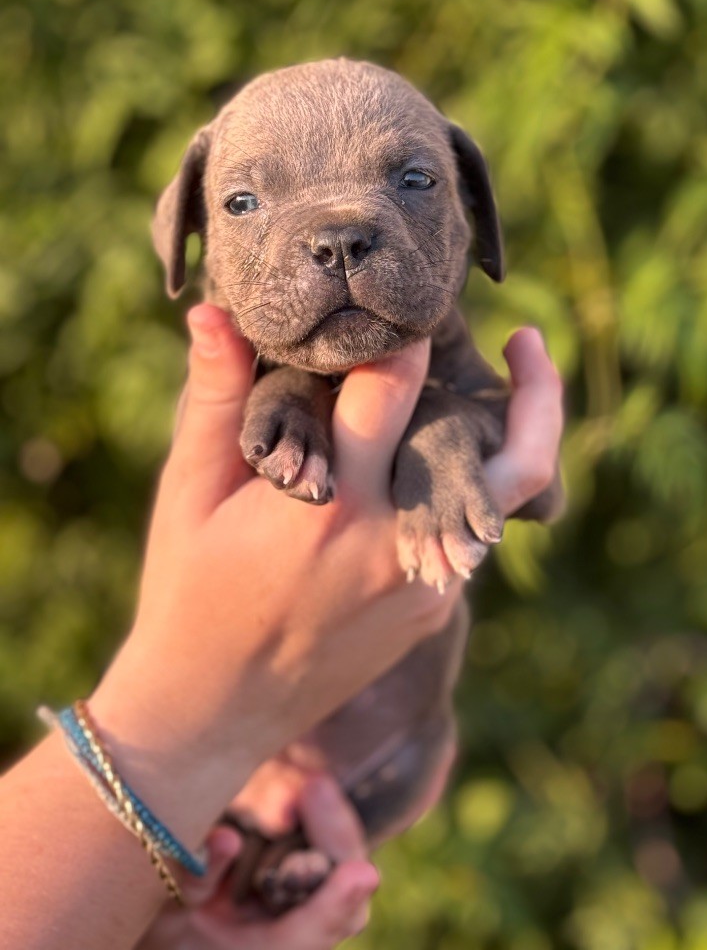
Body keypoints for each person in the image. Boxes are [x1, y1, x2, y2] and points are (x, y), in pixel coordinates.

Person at [0, 305, 564, 950]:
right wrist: (191, 709)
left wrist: (166, 938)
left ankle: (273, 861)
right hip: (238, 803)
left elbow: (526, 479)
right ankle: (273, 857)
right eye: (243, 200)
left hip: (369, 770)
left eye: (416, 192)